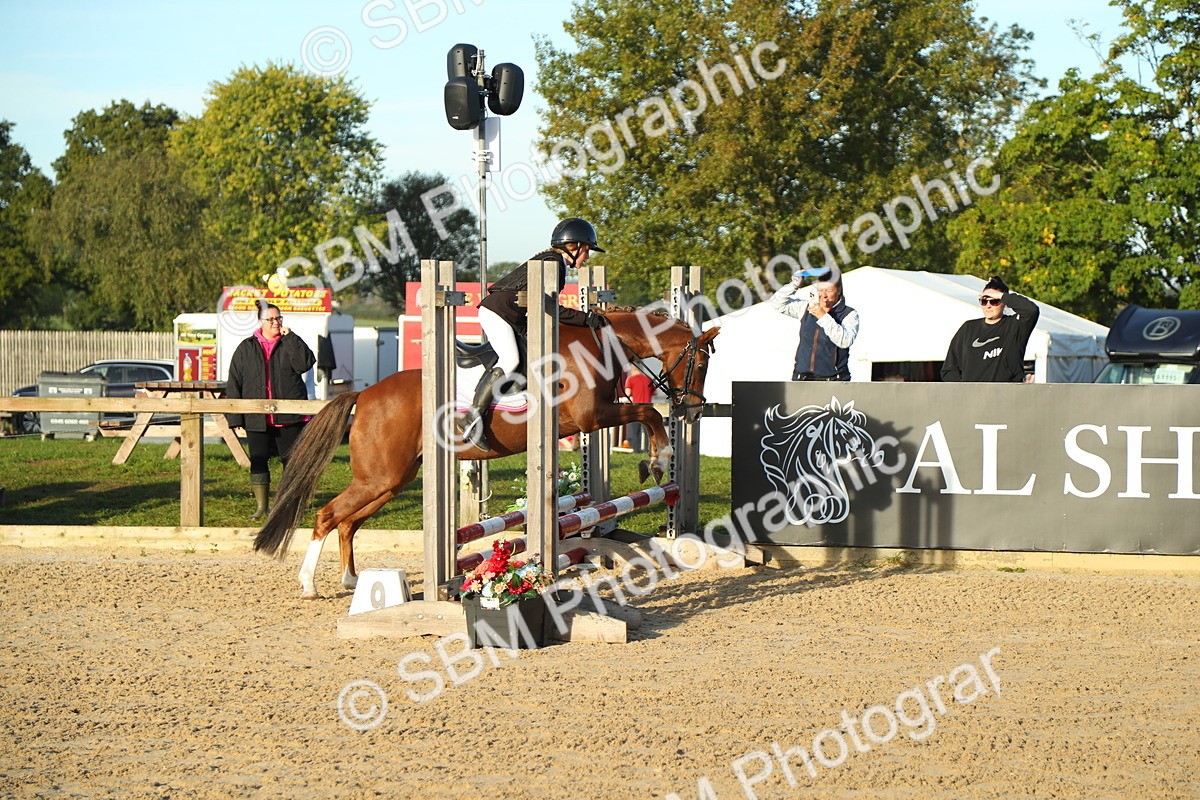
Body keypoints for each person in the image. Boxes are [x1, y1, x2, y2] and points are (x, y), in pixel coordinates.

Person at [459, 218, 612, 447]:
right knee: (511, 359)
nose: (587, 257)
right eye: (587, 250)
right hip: (498, 314)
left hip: (513, 317)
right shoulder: (553, 263)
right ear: (575, 246)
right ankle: (473, 416)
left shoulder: (552, 261)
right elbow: (550, 308)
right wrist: (587, 318)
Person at [225, 303, 316, 520]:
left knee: (292, 462)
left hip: (289, 416)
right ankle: (261, 507)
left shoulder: (289, 343)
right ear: (261, 322)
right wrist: (235, 416)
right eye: (271, 319)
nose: (276, 323)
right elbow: (234, 382)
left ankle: (288, 508)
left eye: (279, 318)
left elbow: (306, 363)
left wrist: (292, 338)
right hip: (257, 417)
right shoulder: (246, 348)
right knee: (258, 459)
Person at [941, 275, 1040, 383]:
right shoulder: (968, 328)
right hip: (974, 396)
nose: (988, 306)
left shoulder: (1015, 325)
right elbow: (949, 369)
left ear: (1004, 304)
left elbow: (1031, 310)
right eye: (984, 301)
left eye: (994, 301)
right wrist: (964, 391)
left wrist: (1002, 296)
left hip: (1007, 395)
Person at [769, 268, 859, 381]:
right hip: (801, 378)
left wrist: (822, 316)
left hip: (834, 381)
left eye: (829, 291)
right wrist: (794, 285)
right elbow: (776, 303)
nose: (823, 295)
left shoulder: (849, 314)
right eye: (820, 290)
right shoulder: (806, 308)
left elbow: (844, 341)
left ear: (839, 290)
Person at [620, 365, 654, 452]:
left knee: (634, 430)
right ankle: (649, 449)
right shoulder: (648, 379)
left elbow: (628, 393)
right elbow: (654, 392)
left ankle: (636, 450)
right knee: (648, 430)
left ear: (632, 371)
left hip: (636, 407)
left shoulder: (630, 379)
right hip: (648, 406)